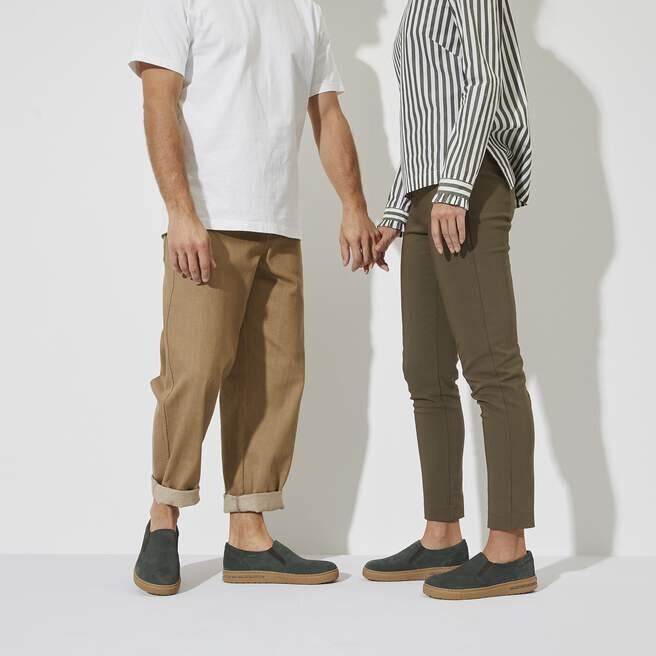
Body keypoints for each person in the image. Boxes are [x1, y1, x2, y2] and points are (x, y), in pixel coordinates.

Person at [129, 0, 382, 595]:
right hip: (208, 222)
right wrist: (180, 213)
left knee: (274, 380)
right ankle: (163, 520)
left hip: (280, 227)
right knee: (192, 373)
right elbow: (158, 101)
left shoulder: (305, 11)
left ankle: (249, 535)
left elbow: (327, 113)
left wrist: (353, 206)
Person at [368, 0, 538, 600]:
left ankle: (509, 549)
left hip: (467, 186)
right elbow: (424, 120)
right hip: (427, 192)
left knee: (492, 369)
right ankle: (442, 535)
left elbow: (484, 81)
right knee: (425, 370)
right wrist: (396, 211)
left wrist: (458, 183)